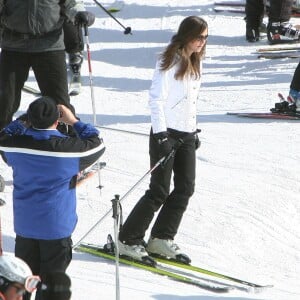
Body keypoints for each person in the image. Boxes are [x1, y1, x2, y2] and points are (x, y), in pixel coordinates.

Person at [118, 16, 205, 264]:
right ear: (186, 35)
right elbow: (156, 100)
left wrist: (192, 129)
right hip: (166, 133)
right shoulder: (169, 60)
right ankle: (128, 239)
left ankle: (161, 238)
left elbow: (190, 100)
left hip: (186, 134)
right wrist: (161, 134)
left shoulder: (197, 61)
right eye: (198, 37)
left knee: (185, 188)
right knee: (159, 190)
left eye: (205, 37)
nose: (202, 42)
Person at [0, 96, 105, 299]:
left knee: (23, 285)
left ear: (30, 119)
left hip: (26, 227)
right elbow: (97, 143)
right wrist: (73, 121)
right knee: (51, 290)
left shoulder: (14, 147)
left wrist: (22, 121)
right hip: (56, 230)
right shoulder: (68, 150)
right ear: (57, 121)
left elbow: (4, 135)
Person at [0, 0, 95, 131]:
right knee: (5, 101)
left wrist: (79, 13)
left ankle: (69, 138)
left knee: (59, 103)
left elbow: (70, 3)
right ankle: (3, 139)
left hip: (50, 45)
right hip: (13, 45)